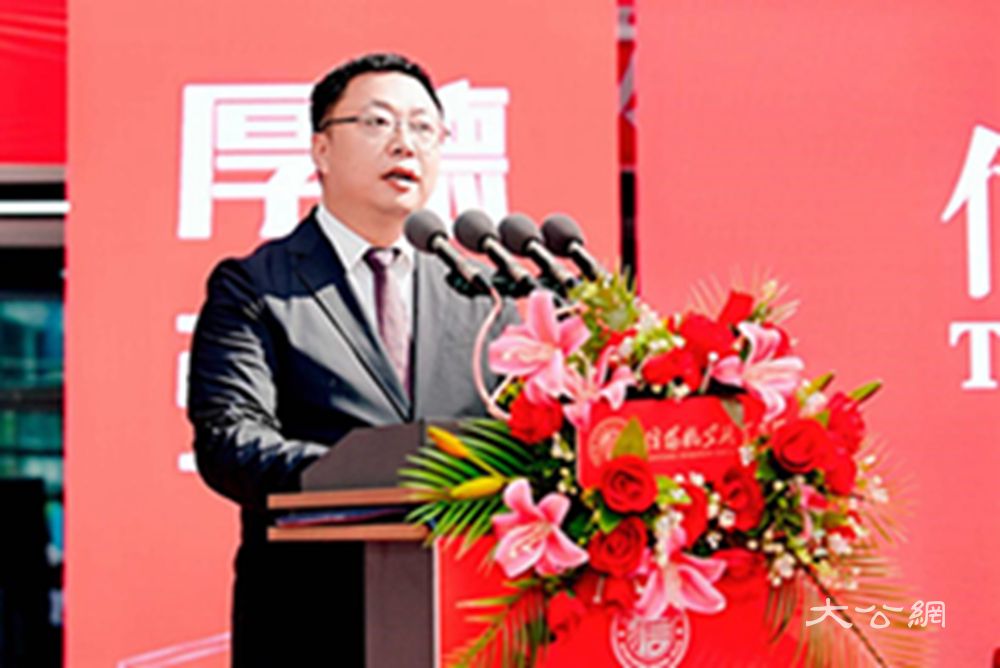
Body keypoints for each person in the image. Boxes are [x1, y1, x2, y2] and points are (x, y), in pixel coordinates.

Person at [187, 53, 517, 667]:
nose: (405, 143)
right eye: (378, 122)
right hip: (311, 621)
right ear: (321, 149)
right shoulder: (256, 287)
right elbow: (229, 440)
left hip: (469, 620)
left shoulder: (485, 294)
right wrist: (372, 473)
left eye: (424, 127)